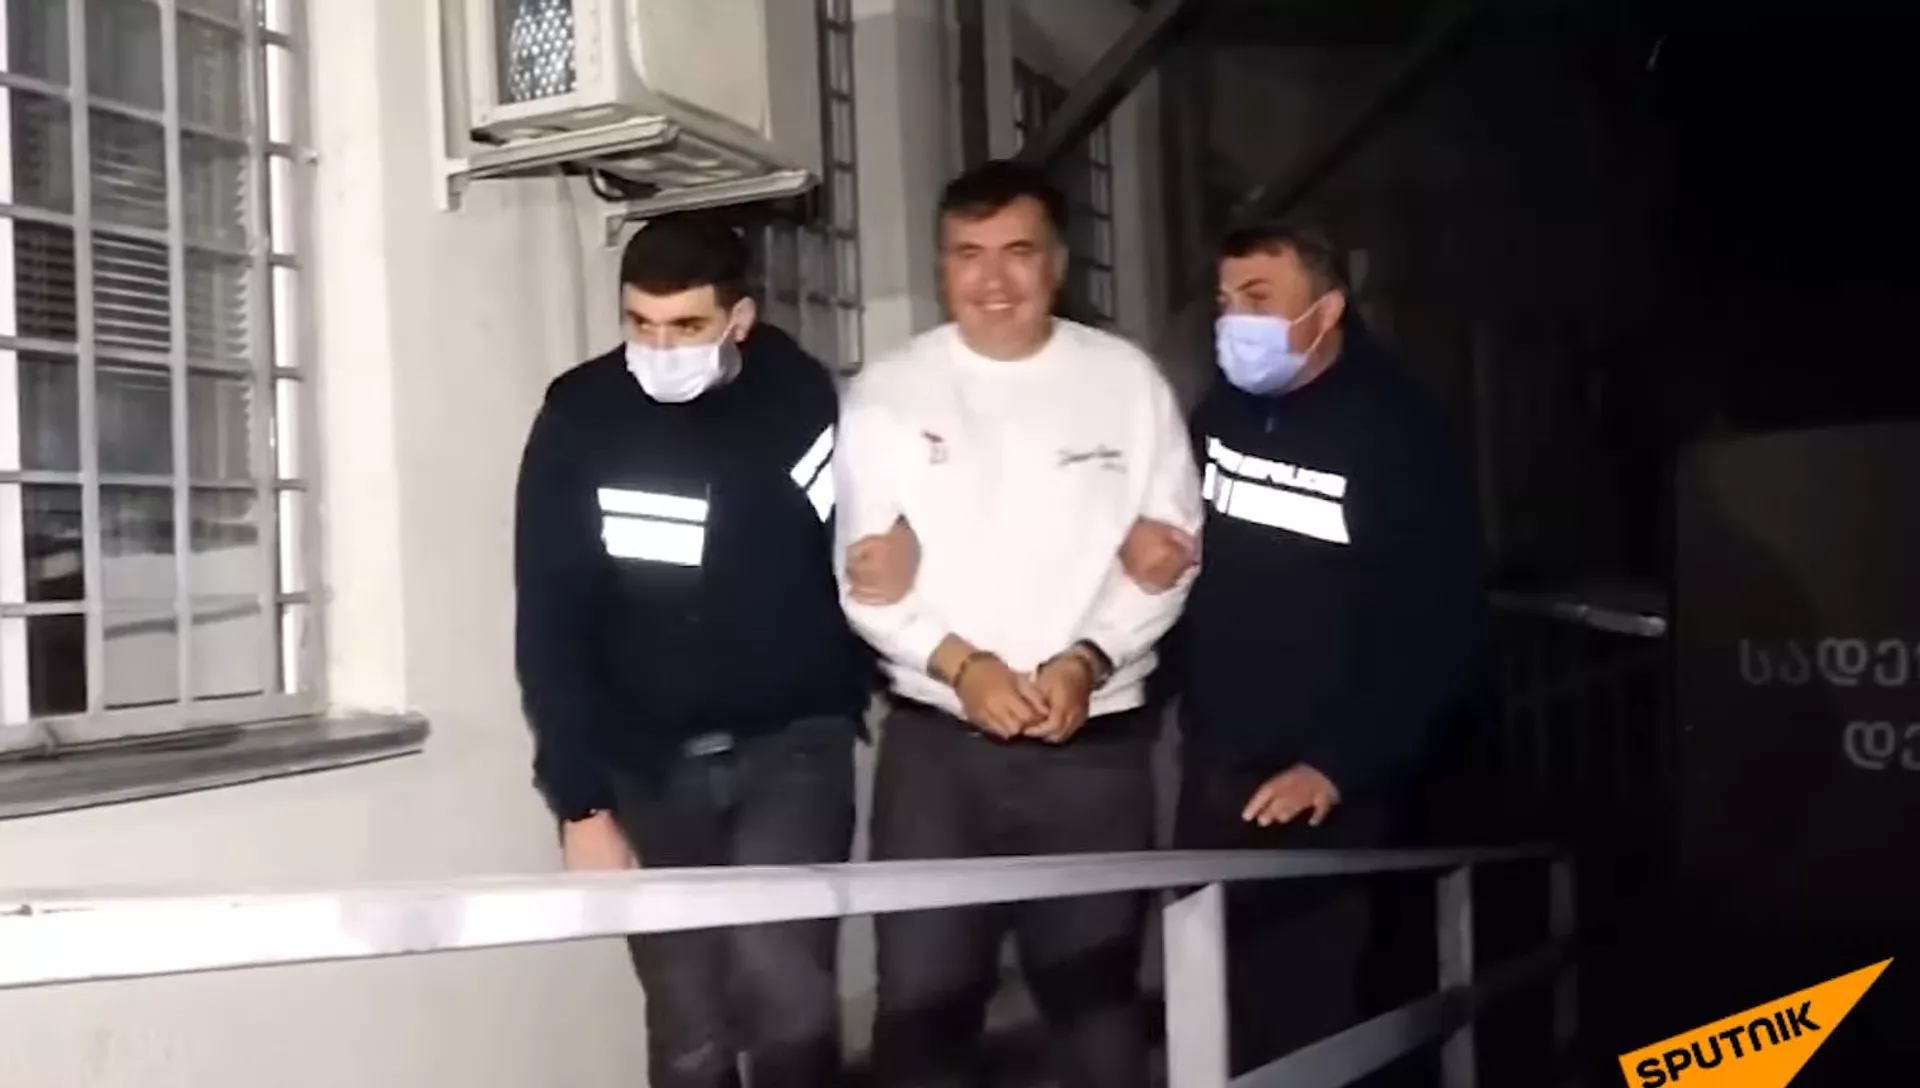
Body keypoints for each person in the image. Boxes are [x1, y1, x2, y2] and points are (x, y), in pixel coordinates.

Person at [833, 159, 1202, 1088]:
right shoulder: (889, 391)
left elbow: (1171, 556)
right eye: (968, 255)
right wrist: (963, 665)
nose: (993, 280)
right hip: (937, 758)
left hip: (1094, 754)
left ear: (1058, 263)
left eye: (1018, 252)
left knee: (1096, 1011)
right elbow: (865, 583)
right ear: (941, 266)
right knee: (922, 1009)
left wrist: (1089, 659)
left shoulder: (1126, 383)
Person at [513, 214, 875, 1088]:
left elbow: (853, 547)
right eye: (641, 324)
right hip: (647, 766)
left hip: (790, 745)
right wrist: (581, 804)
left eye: (686, 326)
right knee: (688, 1023)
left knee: (785, 989)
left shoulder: (799, 401)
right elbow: (551, 620)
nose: (661, 348)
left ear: (738, 320)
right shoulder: (582, 418)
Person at [1124, 223, 1485, 1073]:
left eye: (1258, 300)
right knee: (1212, 1004)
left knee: (1304, 1019)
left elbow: (1440, 626)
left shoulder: (1398, 435)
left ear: (1326, 311)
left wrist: (1336, 764)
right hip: (1218, 764)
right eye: (1225, 301)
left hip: (1326, 789)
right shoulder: (1221, 414)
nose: (1233, 323)